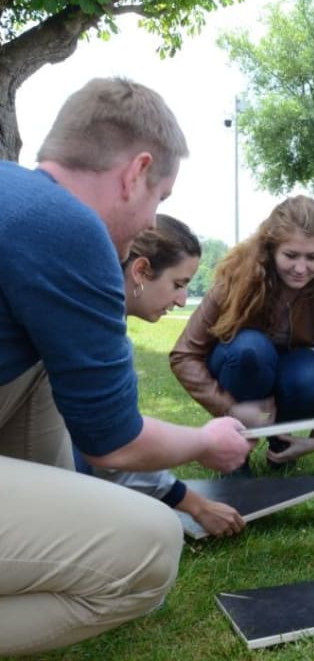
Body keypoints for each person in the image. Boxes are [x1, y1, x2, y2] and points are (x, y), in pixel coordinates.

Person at [0, 77, 251, 655]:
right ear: (136, 172)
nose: (149, 222)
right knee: (149, 550)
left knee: (45, 361)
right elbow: (114, 445)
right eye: (158, 199)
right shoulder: (68, 225)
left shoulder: (16, 196)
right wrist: (205, 440)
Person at [76, 215, 245, 538]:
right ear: (140, 271)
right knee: (156, 535)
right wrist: (196, 503)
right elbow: (113, 449)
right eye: (178, 284)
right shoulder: (94, 335)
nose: (182, 299)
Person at [170, 195, 314, 472]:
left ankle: (281, 444)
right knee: (251, 350)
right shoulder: (238, 275)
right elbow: (184, 354)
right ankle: (236, 451)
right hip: (241, 362)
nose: (301, 268)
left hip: (290, 368)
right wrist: (229, 409)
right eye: (290, 255)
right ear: (271, 249)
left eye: (312, 257)